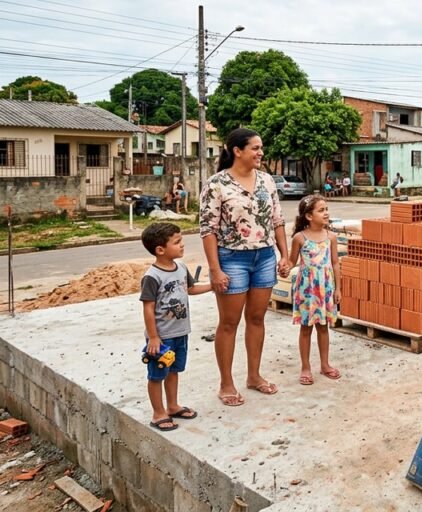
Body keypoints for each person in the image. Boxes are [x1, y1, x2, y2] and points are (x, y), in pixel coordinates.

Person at [200, 128, 291, 407]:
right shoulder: (216, 184)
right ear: (237, 151)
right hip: (231, 259)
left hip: (264, 257)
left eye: (261, 148)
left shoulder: (267, 180)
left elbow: (277, 220)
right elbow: (208, 229)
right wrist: (215, 270)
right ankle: (226, 383)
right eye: (255, 148)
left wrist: (284, 256)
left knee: (257, 319)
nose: (260, 153)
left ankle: (254, 376)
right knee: (229, 323)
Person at [139, 222, 212, 431]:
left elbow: (191, 289)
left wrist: (212, 286)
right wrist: (153, 337)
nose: (182, 245)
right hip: (162, 338)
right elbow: (148, 308)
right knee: (156, 375)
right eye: (177, 242)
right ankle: (158, 413)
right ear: (160, 250)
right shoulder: (152, 277)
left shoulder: (181, 268)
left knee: (173, 371)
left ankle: (172, 406)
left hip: (181, 332)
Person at [282, 194, 341, 385]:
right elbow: (292, 261)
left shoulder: (331, 237)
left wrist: (338, 289)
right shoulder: (299, 238)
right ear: (308, 216)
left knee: (323, 327)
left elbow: (335, 263)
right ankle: (305, 367)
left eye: (327, 209)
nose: (326, 213)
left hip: (325, 289)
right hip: (306, 291)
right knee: (306, 329)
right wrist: (285, 267)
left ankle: (325, 365)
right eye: (321, 210)